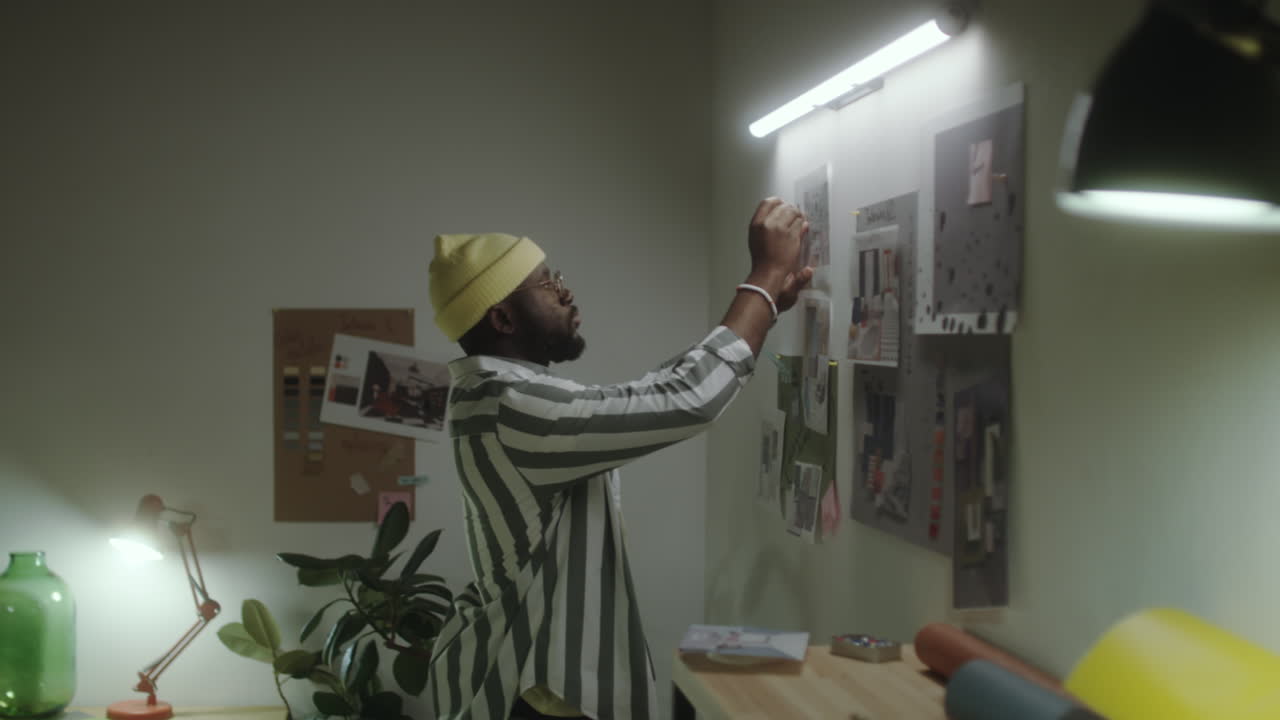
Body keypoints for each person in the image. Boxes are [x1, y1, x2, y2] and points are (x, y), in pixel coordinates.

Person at [425, 198, 813, 720]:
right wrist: (762, 280)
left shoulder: (499, 396)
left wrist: (761, 313)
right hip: (538, 697)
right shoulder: (512, 406)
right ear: (502, 317)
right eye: (546, 285)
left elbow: (651, 397)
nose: (565, 292)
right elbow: (684, 400)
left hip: (526, 682)